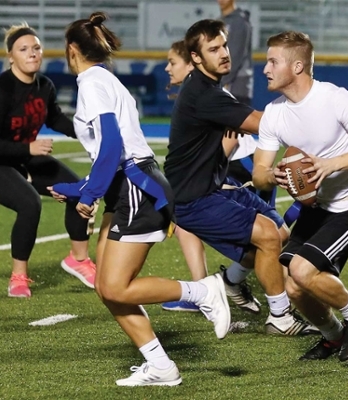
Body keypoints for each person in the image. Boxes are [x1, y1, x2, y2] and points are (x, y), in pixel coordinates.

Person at [48, 11, 231, 387]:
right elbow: (111, 151)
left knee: (115, 286)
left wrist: (90, 192)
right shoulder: (104, 80)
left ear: (71, 50)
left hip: (135, 186)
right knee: (106, 287)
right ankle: (161, 366)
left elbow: (113, 146)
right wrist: (79, 189)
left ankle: (202, 290)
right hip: (131, 184)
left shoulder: (91, 83)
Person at [164, 19, 316, 336]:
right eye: (213, 49)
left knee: (279, 232)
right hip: (192, 199)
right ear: (195, 57)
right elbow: (262, 123)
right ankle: (280, 317)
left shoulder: (208, 89)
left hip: (213, 187)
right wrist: (313, 114)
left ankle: (230, 282)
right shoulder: (205, 95)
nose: (224, 53)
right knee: (267, 235)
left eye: (224, 46)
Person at [252, 30, 348, 361]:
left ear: (297, 66)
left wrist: (330, 165)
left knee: (301, 270)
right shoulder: (273, 113)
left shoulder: (333, 98)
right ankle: (332, 335)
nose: (265, 69)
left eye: (273, 61)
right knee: (293, 284)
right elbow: (259, 172)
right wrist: (276, 175)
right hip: (317, 207)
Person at [162, 39, 262, 314]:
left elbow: (233, 147)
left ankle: (229, 284)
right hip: (225, 173)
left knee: (264, 246)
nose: (168, 68)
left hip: (240, 174)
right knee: (183, 216)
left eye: (172, 62)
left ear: (192, 62)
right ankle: (205, 288)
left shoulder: (208, 97)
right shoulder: (196, 94)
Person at [0, 22, 96, 298]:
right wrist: (28, 150)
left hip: (25, 156)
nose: (32, 53)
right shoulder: (3, 88)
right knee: (29, 204)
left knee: (79, 190)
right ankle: (18, 277)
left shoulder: (45, 85)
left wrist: (86, 132)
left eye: (36, 48)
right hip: (4, 160)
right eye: (23, 49)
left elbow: (54, 118)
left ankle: (78, 259)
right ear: (11, 56)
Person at [217, 0, 253, 106]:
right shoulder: (220, 21)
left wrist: (222, 81)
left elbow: (236, 55)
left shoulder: (240, 21)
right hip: (224, 83)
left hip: (237, 85)